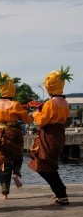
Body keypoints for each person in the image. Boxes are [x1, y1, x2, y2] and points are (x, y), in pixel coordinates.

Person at [28, 66, 72, 205]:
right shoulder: (64, 102)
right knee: (50, 163)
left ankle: (61, 194)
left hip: (49, 134)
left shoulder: (50, 103)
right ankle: (59, 191)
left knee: (43, 164)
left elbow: (41, 121)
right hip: (59, 133)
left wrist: (35, 112)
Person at [0, 72, 32, 199]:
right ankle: (16, 173)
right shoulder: (15, 104)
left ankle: (4, 194)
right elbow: (27, 119)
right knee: (18, 156)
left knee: (2, 161)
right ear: (11, 89)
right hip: (14, 132)